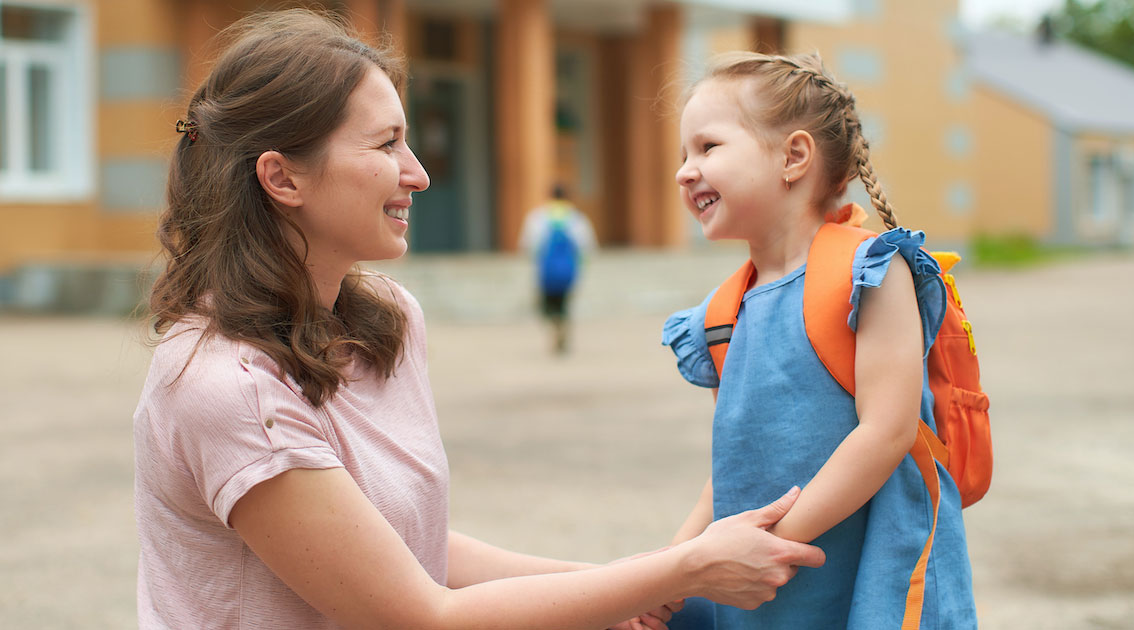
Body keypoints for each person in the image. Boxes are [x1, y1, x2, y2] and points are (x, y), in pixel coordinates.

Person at [133, 11, 826, 630]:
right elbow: (418, 613)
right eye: (385, 146)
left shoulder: (386, 321)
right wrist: (683, 570)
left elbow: (417, 552)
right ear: (282, 178)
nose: (418, 174)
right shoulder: (226, 388)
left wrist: (620, 592)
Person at [662, 52, 977, 628]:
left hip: (867, 568)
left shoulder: (872, 271)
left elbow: (887, 432)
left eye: (708, 148)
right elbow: (731, 467)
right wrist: (676, 567)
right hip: (759, 580)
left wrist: (775, 544)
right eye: (683, 154)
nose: (685, 170)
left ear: (794, 156)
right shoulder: (721, 311)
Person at [519, 184, 596, 354]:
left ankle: (555, 324)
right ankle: (562, 324)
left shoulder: (538, 217)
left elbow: (528, 245)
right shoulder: (576, 218)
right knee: (564, 303)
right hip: (569, 271)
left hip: (546, 272)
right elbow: (587, 246)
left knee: (547, 304)